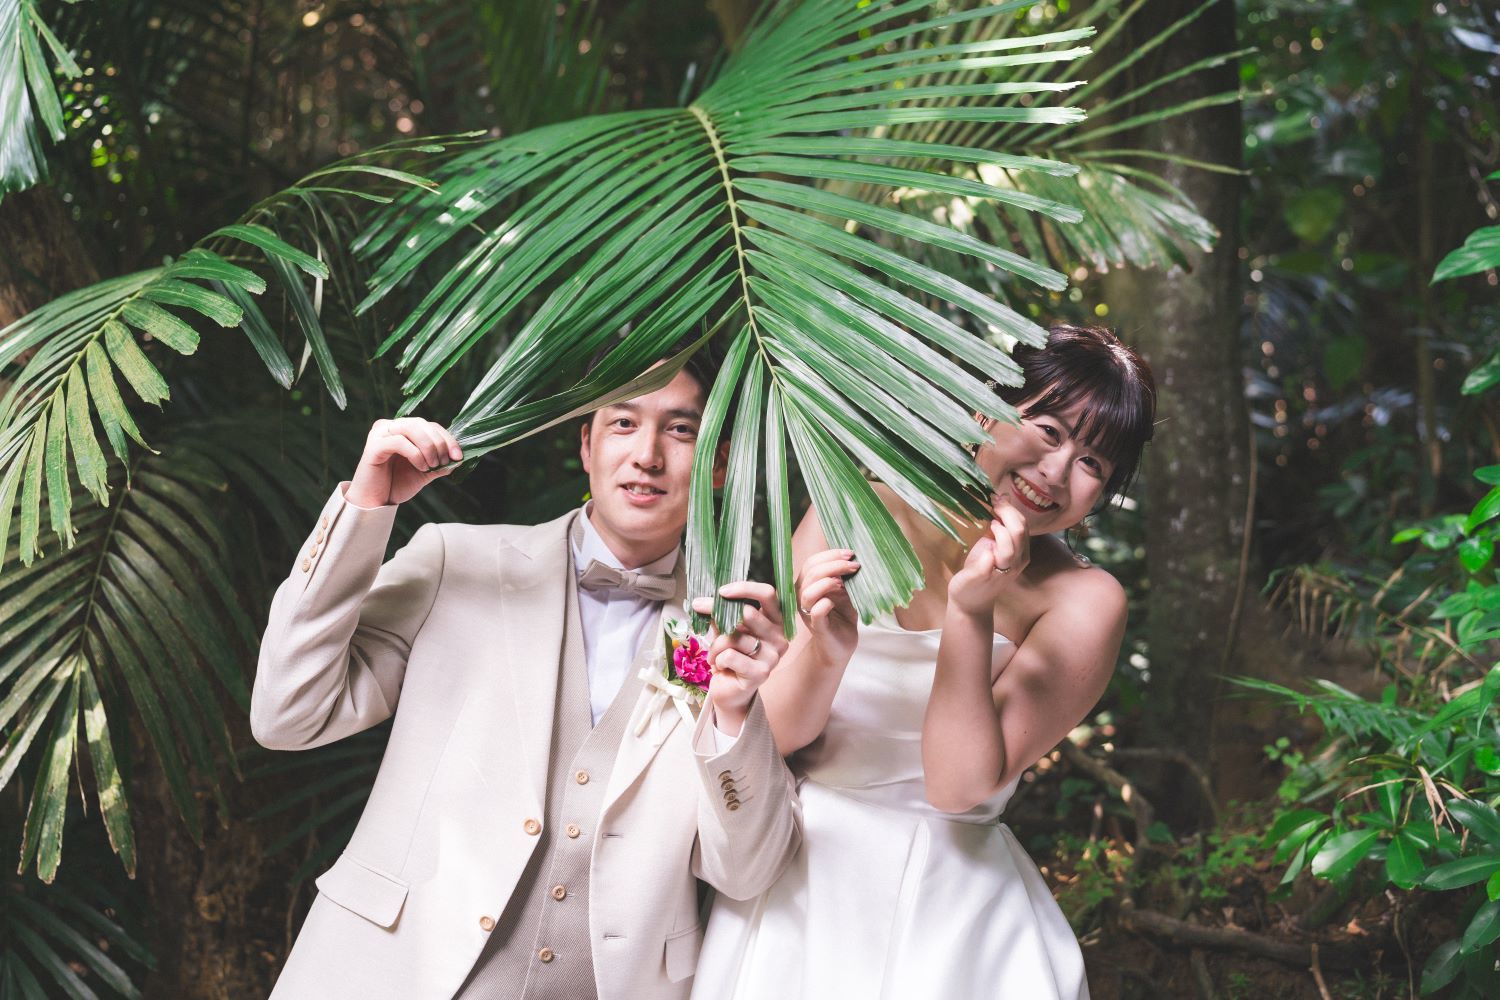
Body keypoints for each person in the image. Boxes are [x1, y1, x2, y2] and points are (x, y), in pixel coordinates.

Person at [251, 360, 802, 1000]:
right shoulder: (457, 561)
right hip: (394, 974)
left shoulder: (722, 636)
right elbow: (287, 715)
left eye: (679, 430)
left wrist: (734, 714)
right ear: (587, 446)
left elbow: (747, 872)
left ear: (719, 464)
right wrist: (365, 508)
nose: (647, 455)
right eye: (623, 423)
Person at [691, 323, 1156, 1000]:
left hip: (952, 910)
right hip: (801, 877)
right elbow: (778, 737)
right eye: (1049, 431)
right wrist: (825, 651)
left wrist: (972, 609)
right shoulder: (857, 509)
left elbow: (957, 787)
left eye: (1093, 465)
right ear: (983, 412)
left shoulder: (1086, 602)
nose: (1056, 472)